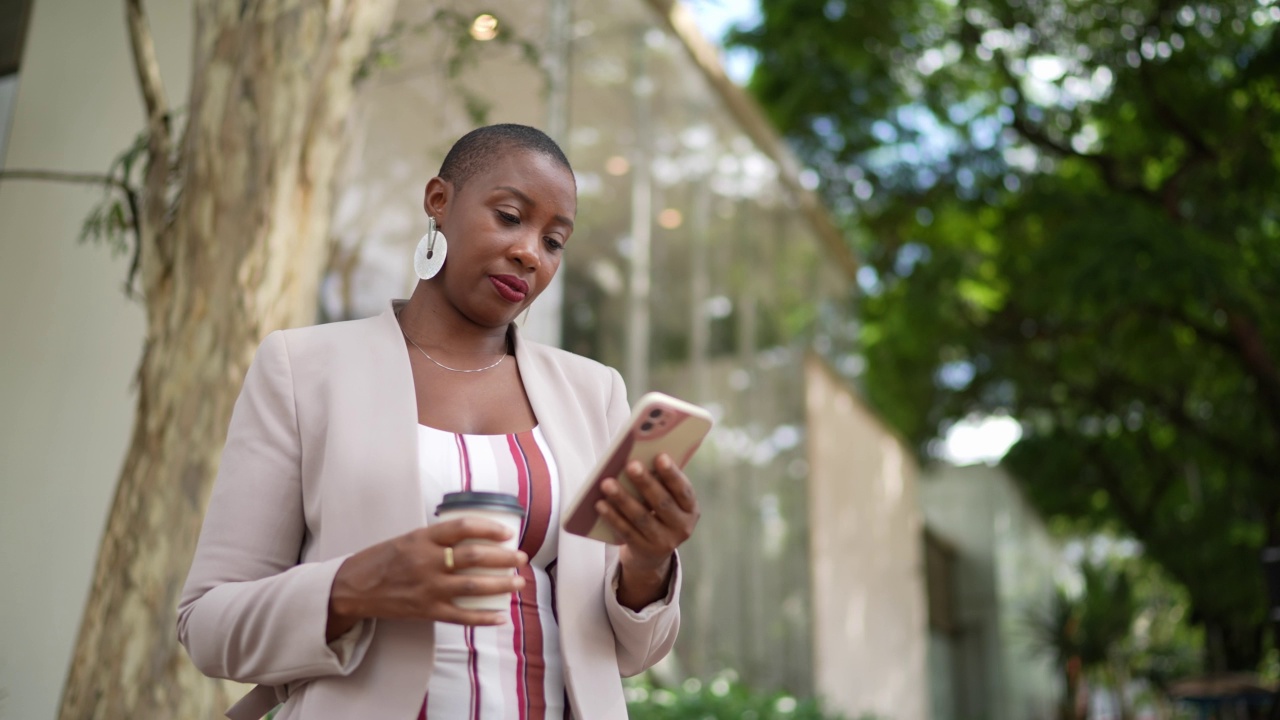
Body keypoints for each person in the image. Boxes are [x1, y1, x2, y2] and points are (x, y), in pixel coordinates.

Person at [177, 124, 700, 720]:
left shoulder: (592, 391)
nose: (531, 251)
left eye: (555, 241)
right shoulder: (303, 368)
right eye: (509, 216)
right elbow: (208, 624)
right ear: (438, 201)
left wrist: (650, 563)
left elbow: (633, 652)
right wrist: (354, 585)